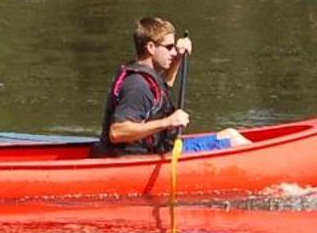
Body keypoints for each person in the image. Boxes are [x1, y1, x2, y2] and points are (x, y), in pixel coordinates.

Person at [94, 16, 250, 157]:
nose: (174, 52)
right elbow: (117, 132)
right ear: (150, 47)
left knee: (230, 134)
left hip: (155, 151)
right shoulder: (137, 86)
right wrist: (168, 122)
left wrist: (179, 58)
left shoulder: (146, 77)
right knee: (233, 140)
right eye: (169, 47)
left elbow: (162, 91)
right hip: (137, 161)